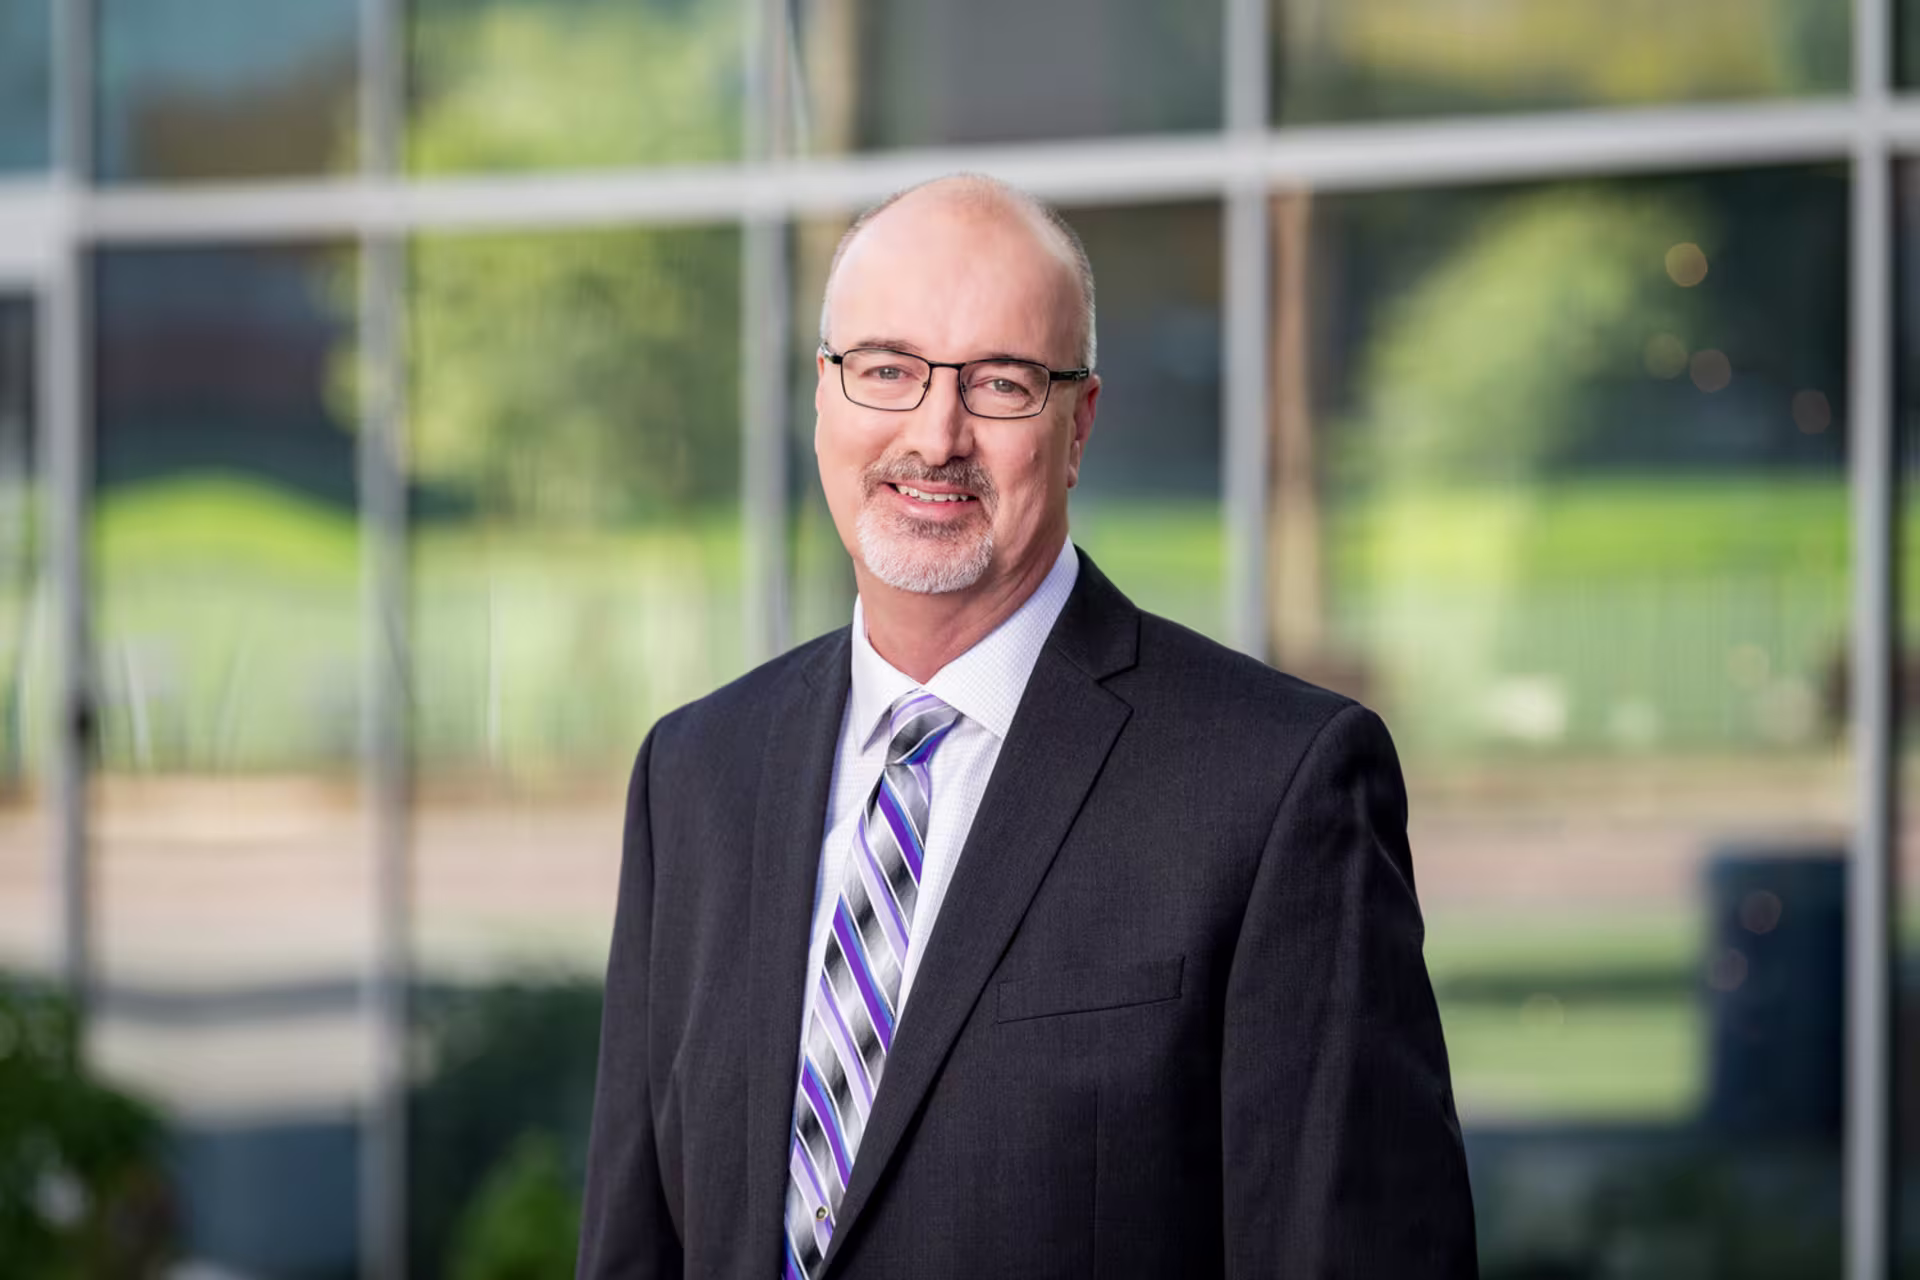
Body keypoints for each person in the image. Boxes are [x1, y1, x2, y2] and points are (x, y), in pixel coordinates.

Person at [576, 174, 1477, 1279]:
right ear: (824, 393)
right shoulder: (696, 774)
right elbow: (636, 1243)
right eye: (887, 370)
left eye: (1000, 383)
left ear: (1078, 421)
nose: (935, 433)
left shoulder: (1275, 785)